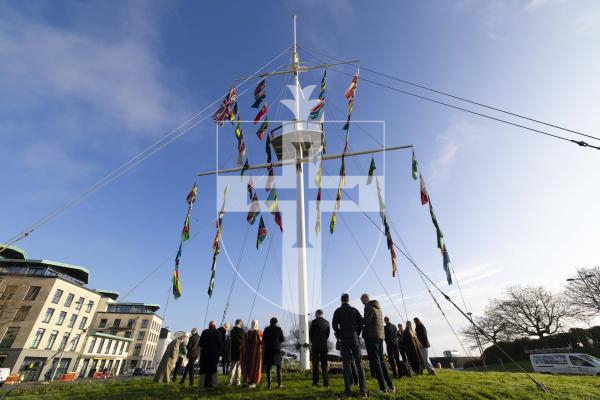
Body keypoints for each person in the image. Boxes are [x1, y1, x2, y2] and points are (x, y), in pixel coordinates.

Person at [332, 293, 367, 398]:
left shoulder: (337, 311)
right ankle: (363, 390)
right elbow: (361, 324)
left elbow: (334, 325)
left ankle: (348, 391)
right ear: (349, 300)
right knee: (359, 364)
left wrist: (339, 334)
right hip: (354, 338)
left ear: (341, 300)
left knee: (346, 366)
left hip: (344, 340)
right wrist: (357, 333)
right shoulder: (355, 310)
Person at [361, 293, 395, 394]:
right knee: (382, 362)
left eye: (362, 300)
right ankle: (391, 386)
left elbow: (366, 321)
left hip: (372, 337)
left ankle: (382, 388)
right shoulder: (378, 308)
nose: (362, 302)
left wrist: (358, 319)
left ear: (366, 298)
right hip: (380, 337)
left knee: (376, 363)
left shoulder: (368, 307)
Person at [199, 321, 223, 389]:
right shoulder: (218, 332)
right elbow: (220, 344)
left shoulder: (204, 332)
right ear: (215, 325)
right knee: (213, 369)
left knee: (203, 370)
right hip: (214, 354)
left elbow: (200, 344)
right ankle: (214, 385)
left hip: (205, 354)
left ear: (209, 325)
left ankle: (201, 386)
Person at [309, 309, 330, 387]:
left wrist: (313, 341)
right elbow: (327, 334)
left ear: (317, 314)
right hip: (324, 345)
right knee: (324, 365)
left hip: (315, 345)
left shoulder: (314, 322)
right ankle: (326, 382)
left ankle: (315, 382)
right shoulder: (327, 322)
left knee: (315, 365)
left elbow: (311, 334)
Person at [262, 317, 285, 389]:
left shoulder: (266, 329)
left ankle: (269, 385)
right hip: (276, 350)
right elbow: (282, 339)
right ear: (276, 322)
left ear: (270, 322)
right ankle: (280, 384)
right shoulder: (279, 329)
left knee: (268, 368)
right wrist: (277, 343)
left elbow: (263, 339)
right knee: (278, 367)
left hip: (268, 350)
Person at [241, 319, 263, 388]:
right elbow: (261, 342)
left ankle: (247, 381)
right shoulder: (259, 333)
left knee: (248, 366)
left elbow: (243, 345)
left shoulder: (247, 333)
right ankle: (254, 382)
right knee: (255, 367)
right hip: (256, 355)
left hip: (247, 354)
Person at [229, 319, 245, 386]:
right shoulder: (241, 331)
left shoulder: (232, 331)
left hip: (233, 350)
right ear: (240, 323)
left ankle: (230, 381)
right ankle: (238, 381)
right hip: (240, 350)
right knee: (238, 367)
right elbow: (244, 340)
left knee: (232, 366)